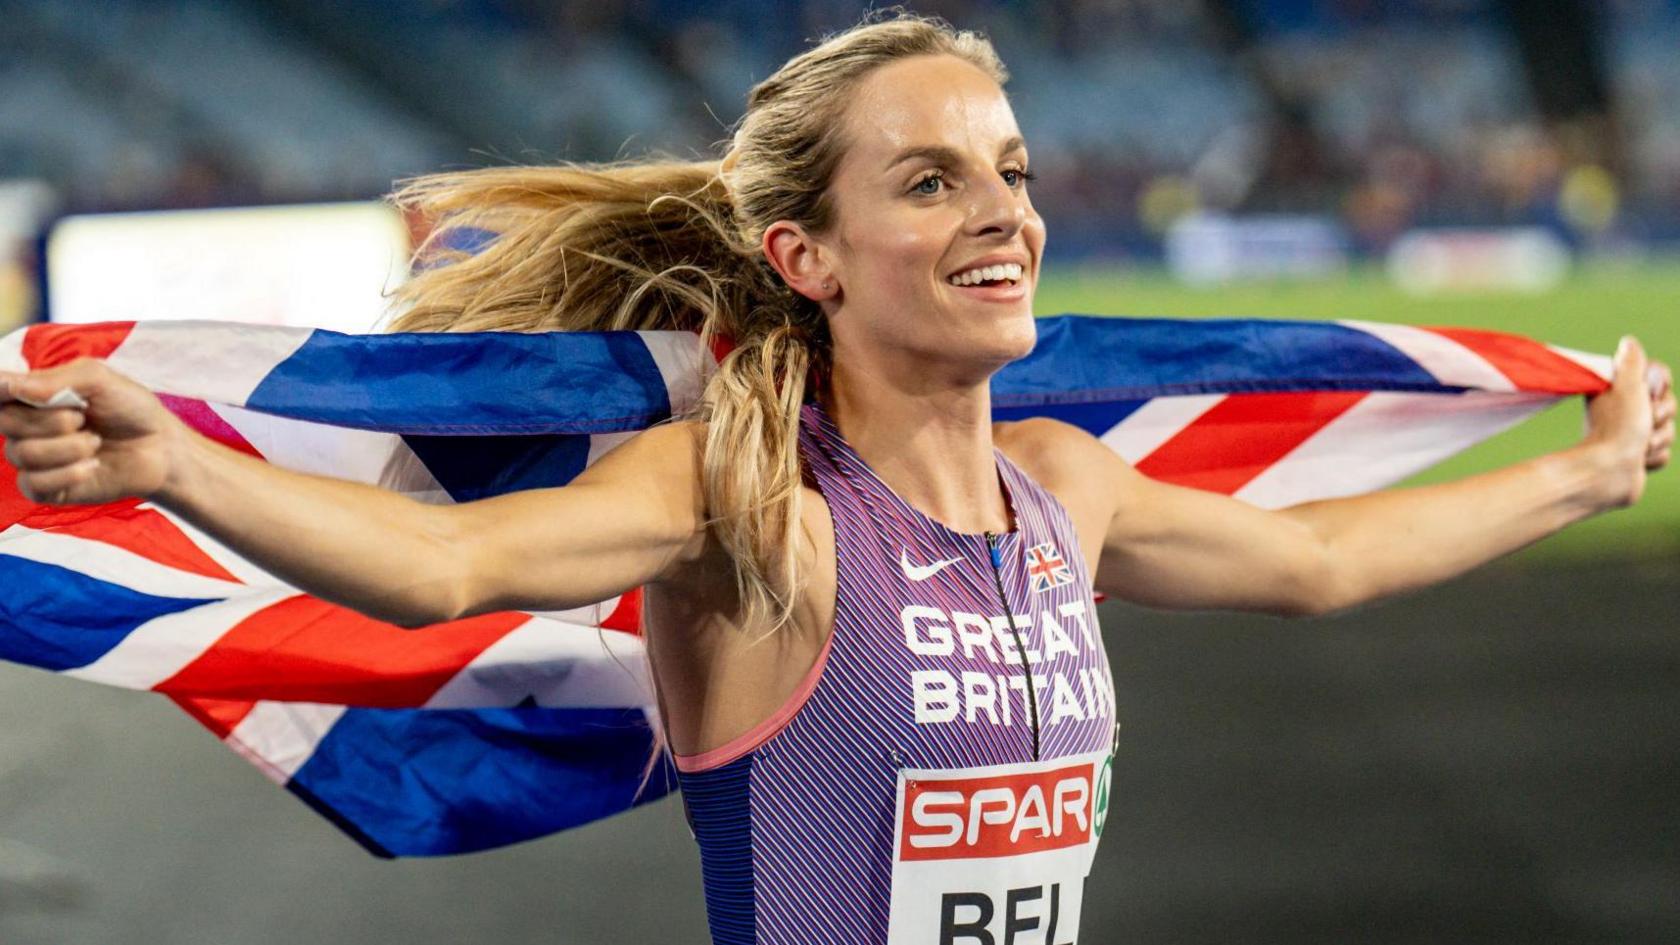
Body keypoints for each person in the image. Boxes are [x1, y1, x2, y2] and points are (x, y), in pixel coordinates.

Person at [0, 13, 1674, 945]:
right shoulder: (756, 510)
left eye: (1009, 172)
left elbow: (1321, 560)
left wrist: (1588, 477)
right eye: (933, 182)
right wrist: (177, 471)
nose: (1004, 212)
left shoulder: (1060, 490)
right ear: (806, 251)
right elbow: (448, 568)